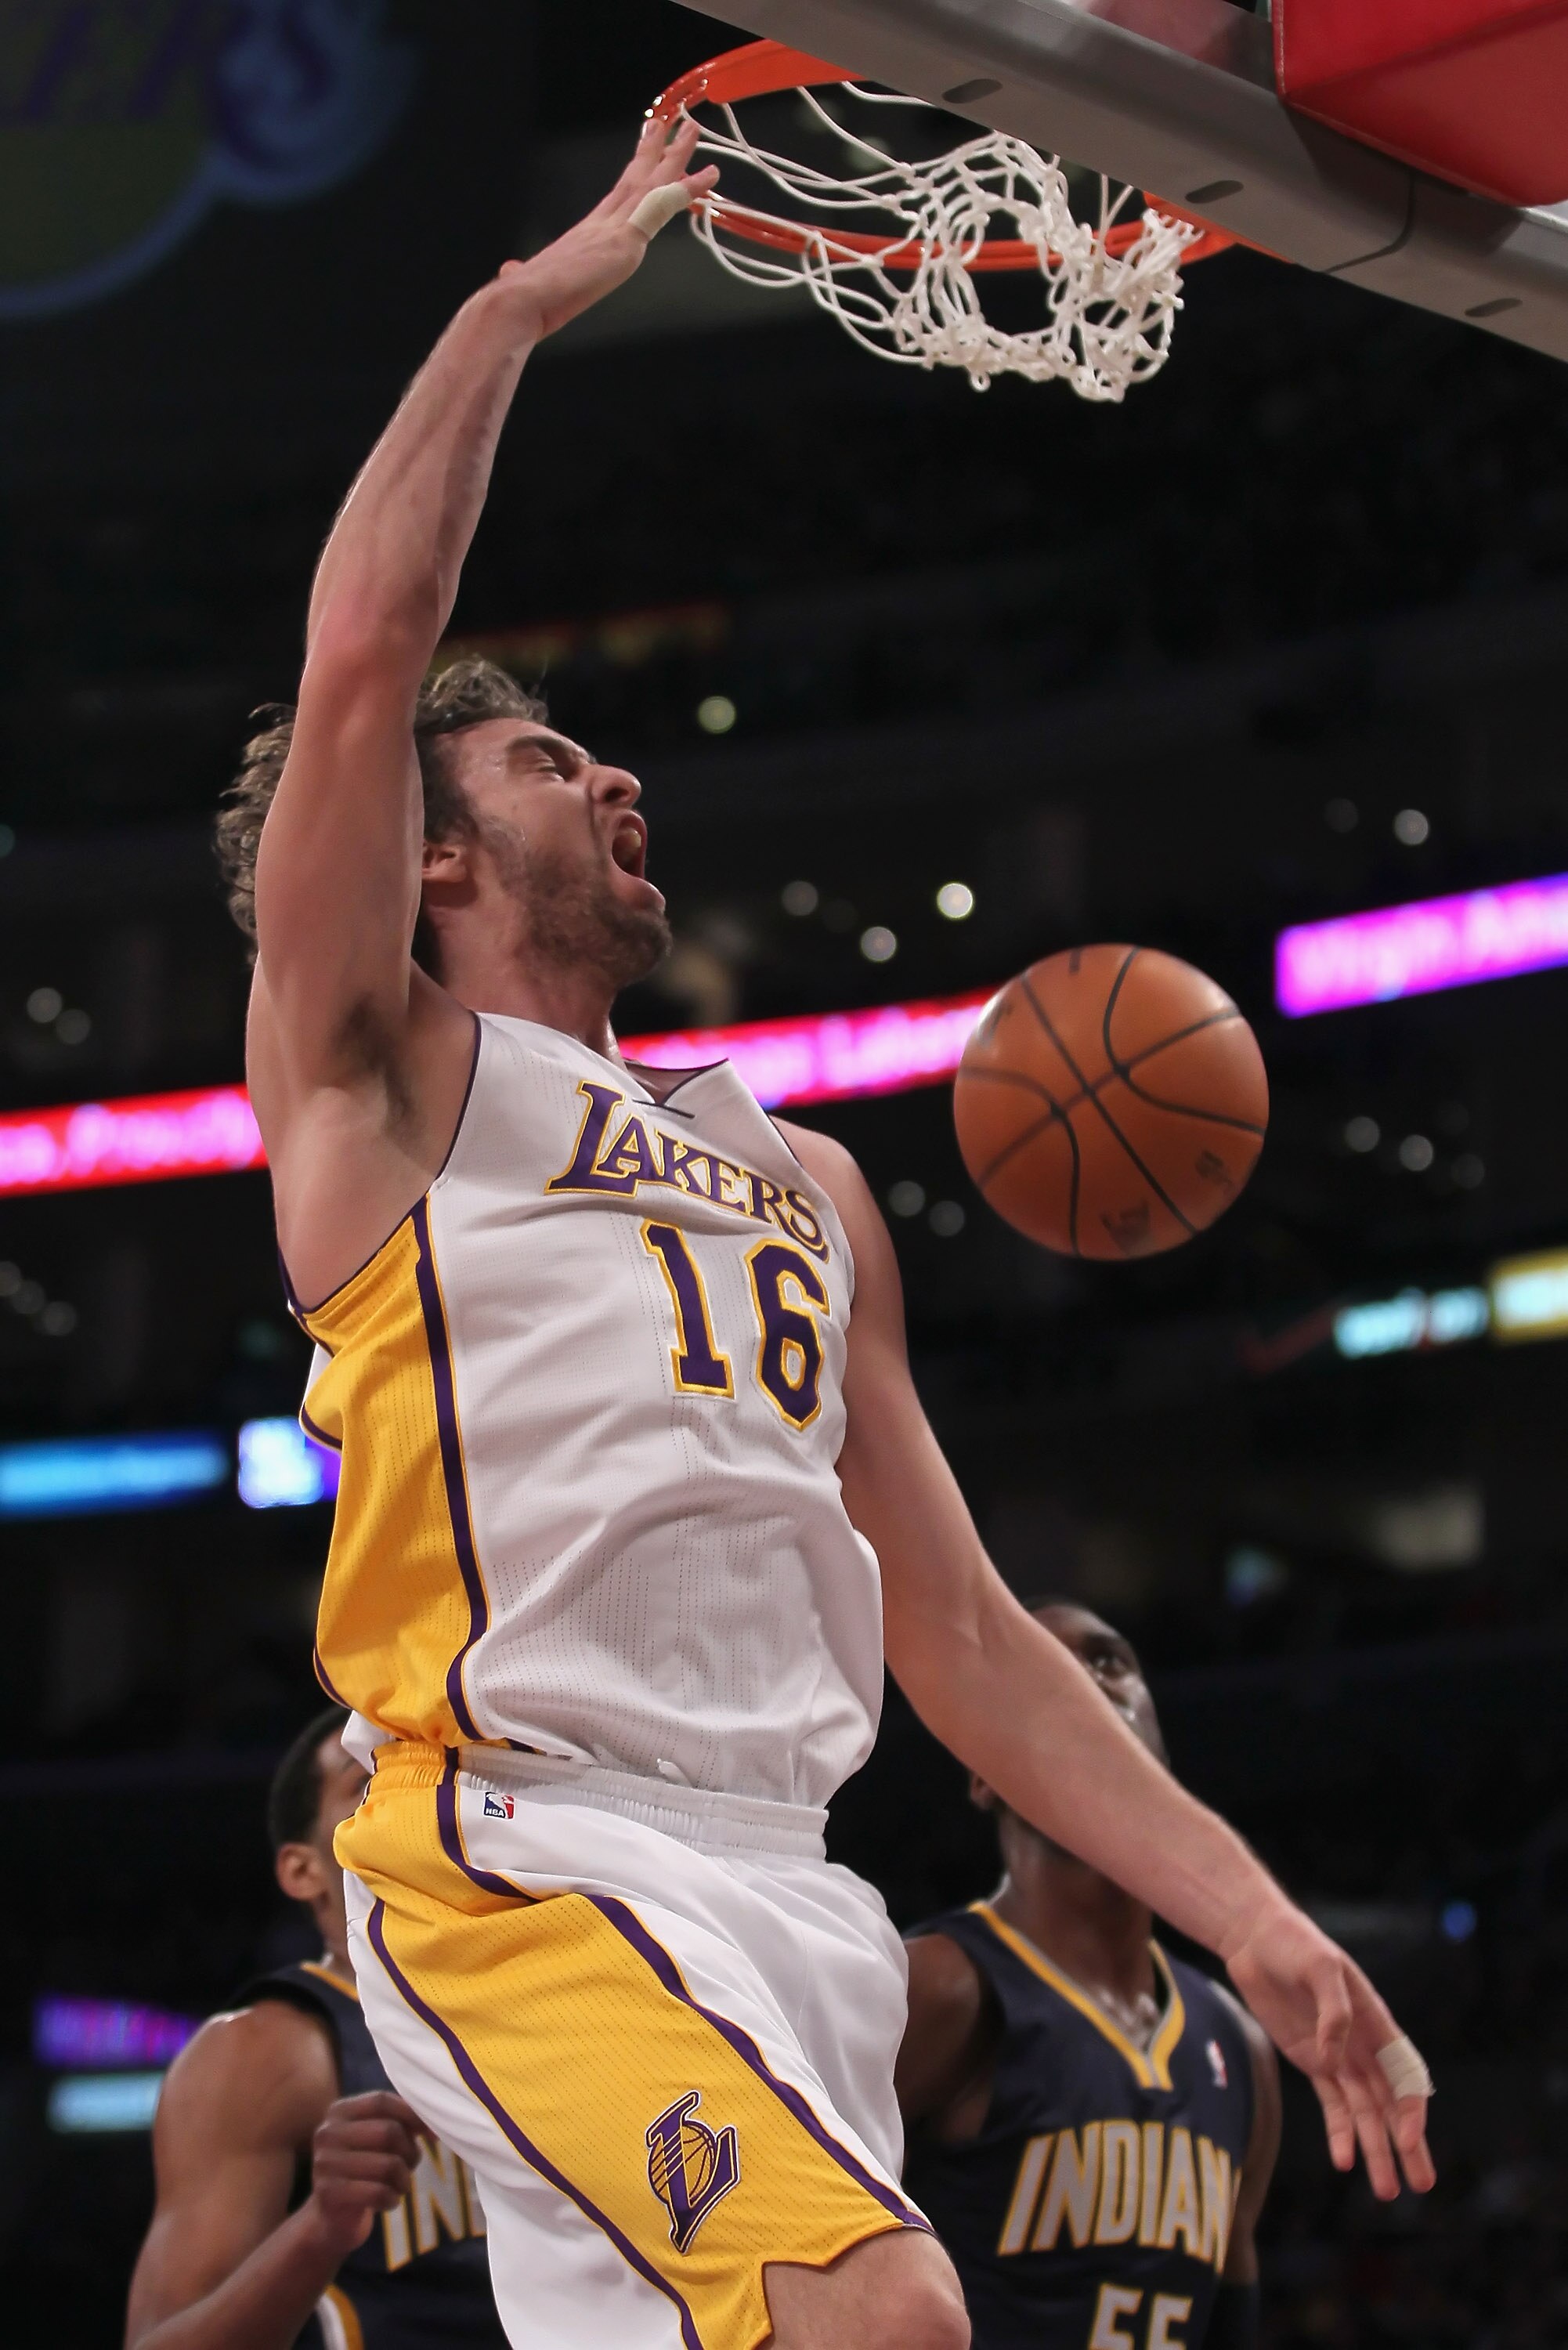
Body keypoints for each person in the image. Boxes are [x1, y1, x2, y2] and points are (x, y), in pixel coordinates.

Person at [211, 113, 1432, 2350]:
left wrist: (1250, 1916)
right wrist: (521, 301)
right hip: (525, 1852)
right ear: (428, 862)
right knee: (890, 2320)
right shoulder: (376, 1084)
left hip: (795, 1893)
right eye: (554, 762)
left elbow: (958, 1631)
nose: (614, 779)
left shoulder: (806, 1175)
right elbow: (369, 642)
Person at [899, 1603, 1281, 2350]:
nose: (1086, 1686)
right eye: (1045, 1668)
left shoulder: (1239, 2047)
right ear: (981, 1773)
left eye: (1109, 1662)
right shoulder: (939, 1988)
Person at [125, 1709, 508, 2350]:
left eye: (422, 1776)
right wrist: (320, 2228)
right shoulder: (264, 2051)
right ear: (302, 1872)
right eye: (365, 1785)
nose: (402, 1800)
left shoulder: (571, 2004)